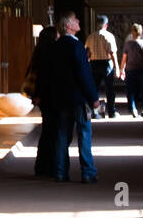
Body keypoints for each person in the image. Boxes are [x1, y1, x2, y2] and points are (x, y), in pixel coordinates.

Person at [50, 10, 99, 183]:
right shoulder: (76, 46)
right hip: (78, 98)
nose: (78, 20)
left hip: (62, 98)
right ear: (68, 26)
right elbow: (83, 74)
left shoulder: (55, 46)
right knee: (84, 133)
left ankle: (61, 172)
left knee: (62, 135)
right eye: (74, 19)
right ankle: (87, 172)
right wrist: (93, 97)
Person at [24, 27, 59, 178]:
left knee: (47, 132)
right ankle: (47, 166)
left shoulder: (38, 52)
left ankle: (42, 166)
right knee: (51, 133)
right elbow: (46, 78)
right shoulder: (50, 53)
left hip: (42, 97)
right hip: (49, 96)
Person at [84, 15, 120, 118]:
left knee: (94, 89)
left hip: (94, 64)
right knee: (109, 89)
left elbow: (87, 53)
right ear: (106, 25)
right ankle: (112, 112)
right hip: (106, 64)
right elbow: (112, 53)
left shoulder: (90, 36)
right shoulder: (109, 36)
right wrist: (117, 68)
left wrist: (87, 65)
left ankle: (95, 112)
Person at [122, 24, 143, 118]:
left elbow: (124, 58)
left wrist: (121, 69)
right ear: (141, 32)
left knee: (130, 90)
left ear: (132, 32)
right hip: (142, 70)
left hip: (130, 69)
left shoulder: (128, 44)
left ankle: (133, 109)